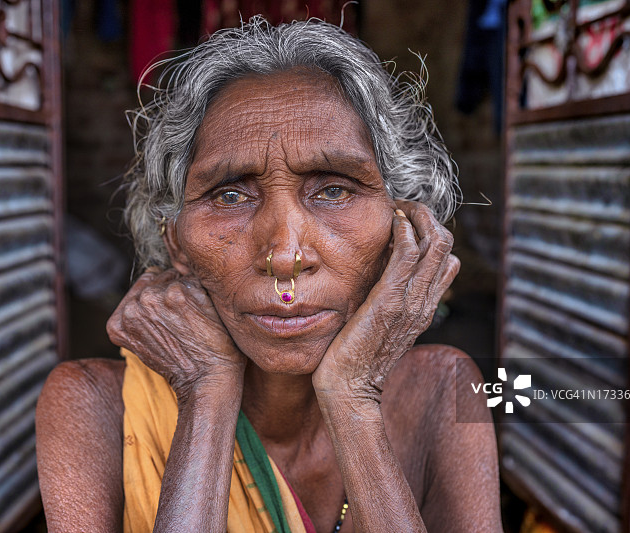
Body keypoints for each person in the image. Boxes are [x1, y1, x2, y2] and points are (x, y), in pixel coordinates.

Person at [36, 17, 502, 533]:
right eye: (230, 195)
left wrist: (353, 397)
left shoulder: (445, 389)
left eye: (333, 190)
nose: (284, 256)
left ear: (403, 224)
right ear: (176, 242)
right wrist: (204, 390)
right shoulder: (94, 405)